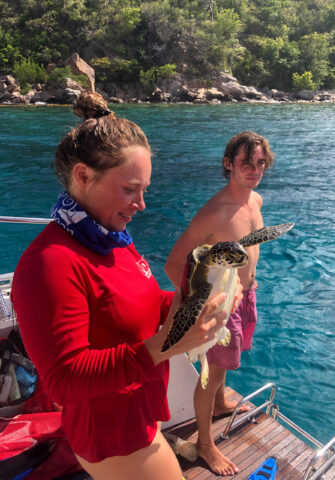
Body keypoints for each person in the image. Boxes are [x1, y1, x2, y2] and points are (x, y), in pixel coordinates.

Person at [10, 91, 232, 480]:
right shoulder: (49, 264)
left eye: (144, 189)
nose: (141, 204)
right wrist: (164, 346)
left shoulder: (111, 240)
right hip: (110, 436)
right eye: (130, 189)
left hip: (138, 416)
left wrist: (195, 298)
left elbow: (137, 302)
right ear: (82, 176)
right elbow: (64, 380)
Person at [164, 131, 275, 476]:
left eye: (260, 163)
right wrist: (199, 307)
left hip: (244, 298)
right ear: (228, 164)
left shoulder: (254, 201)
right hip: (219, 307)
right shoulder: (215, 212)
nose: (254, 170)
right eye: (246, 163)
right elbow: (174, 263)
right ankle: (205, 446)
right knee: (209, 377)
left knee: (223, 368)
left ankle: (221, 404)